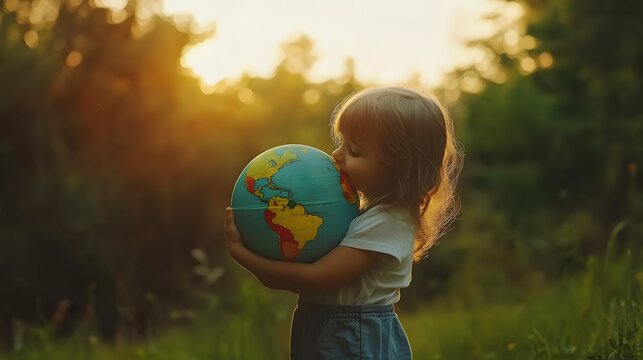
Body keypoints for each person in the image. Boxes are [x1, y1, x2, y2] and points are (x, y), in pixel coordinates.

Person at [223, 86, 463, 359]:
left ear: (398, 169)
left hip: (353, 337)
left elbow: (315, 278)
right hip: (330, 328)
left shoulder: (387, 223)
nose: (337, 155)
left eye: (355, 151)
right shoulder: (365, 213)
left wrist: (243, 255)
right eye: (342, 143)